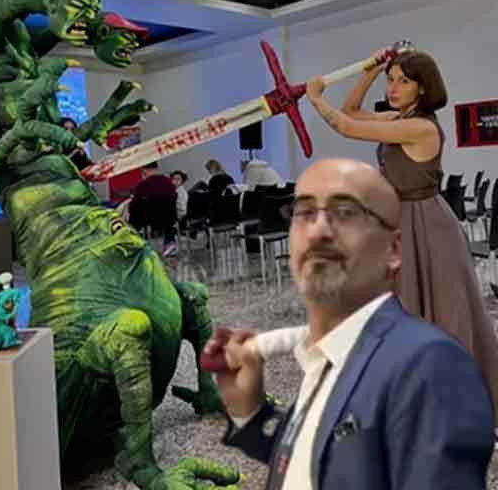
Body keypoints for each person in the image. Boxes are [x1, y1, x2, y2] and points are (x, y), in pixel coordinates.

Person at [211, 158, 493, 489]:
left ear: (394, 250)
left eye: (345, 213)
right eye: (303, 213)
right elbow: (328, 459)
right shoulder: (330, 350)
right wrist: (249, 412)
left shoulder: (429, 365)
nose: (317, 231)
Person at [306, 48, 498, 417]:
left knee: (441, 313)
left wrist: (315, 98)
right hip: (402, 221)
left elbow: (345, 126)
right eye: (390, 80)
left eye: (403, 81)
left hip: (427, 224)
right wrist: (369, 71)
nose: (393, 88)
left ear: (423, 88)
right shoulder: (400, 118)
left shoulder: (420, 127)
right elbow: (351, 111)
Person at [129, 162, 178, 256]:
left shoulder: (143, 185)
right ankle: (169, 243)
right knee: (167, 219)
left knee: (132, 212)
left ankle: (136, 244)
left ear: (144, 170)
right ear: (157, 168)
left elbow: (134, 205)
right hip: (169, 219)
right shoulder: (169, 182)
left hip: (148, 220)